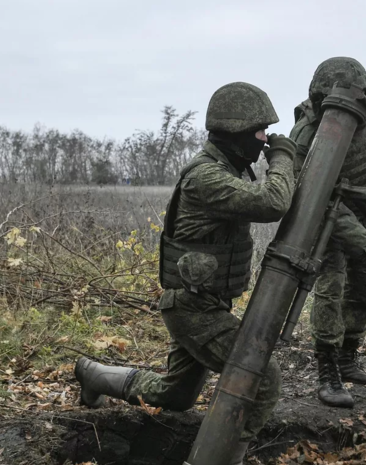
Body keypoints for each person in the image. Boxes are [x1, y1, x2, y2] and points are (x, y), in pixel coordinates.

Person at [74, 82, 297, 464]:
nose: (264, 139)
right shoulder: (206, 177)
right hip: (192, 309)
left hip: (204, 304)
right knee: (262, 376)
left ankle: (94, 375)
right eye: (260, 132)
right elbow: (272, 202)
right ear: (237, 133)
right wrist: (283, 158)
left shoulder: (229, 169)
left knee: (176, 396)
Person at [290, 57, 366, 409]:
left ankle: (349, 359)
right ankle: (328, 372)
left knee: (362, 289)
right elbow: (316, 198)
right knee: (331, 289)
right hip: (328, 221)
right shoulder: (308, 133)